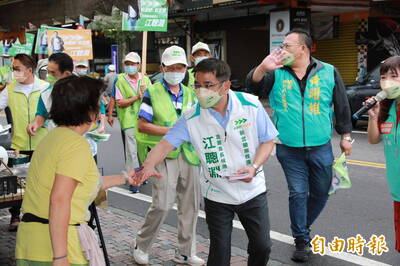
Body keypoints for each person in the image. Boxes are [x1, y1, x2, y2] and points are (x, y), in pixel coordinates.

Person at [134, 58, 277, 266]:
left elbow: (268, 141)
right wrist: (147, 166)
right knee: (219, 252)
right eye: (197, 85)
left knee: (262, 246)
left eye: (208, 85)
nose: (201, 91)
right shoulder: (191, 117)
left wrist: (254, 167)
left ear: (225, 86)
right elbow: (165, 145)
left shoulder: (250, 105)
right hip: (217, 193)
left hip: (251, 190)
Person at [245, 29, 353, 262]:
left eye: (287, 45)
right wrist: (263, 68)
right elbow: (252, 88)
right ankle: (301, 240)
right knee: (298, 193)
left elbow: (341, 104)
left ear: (303, 48)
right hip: (288, 147)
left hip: (321, 146)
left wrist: (345, 135)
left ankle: (301, 224)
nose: (282, 50)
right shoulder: (276, 73)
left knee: (321, 192)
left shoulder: (328, 71)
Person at [15, 75, 137, 265]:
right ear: (87, 109)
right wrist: (60, 256)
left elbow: (81, 184)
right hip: (58, 248)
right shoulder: (75, 145)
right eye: (98, 101)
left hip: (31, 244)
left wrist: (126, 177)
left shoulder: (52, 137)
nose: (101, 104)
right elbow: (60, 199)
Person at [131, 45, 204, 265]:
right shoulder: (152, 92)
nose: (176, 71)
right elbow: (143, 126)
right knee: (162, 204)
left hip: (189, 155)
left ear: (186, 68)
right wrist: (173, 131)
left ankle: (185, 251)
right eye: (171, 67)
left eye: (180, 67)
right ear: (163, 68)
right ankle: (141, 245)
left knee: (190, 205)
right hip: (162, 154)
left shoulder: (191, 93)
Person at [0, 54, 49, 231]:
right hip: (19, 144)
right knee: (16, 183)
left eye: (17, 68)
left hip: (43, 143)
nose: (14, 72)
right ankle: (15, 216)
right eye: (13, 68)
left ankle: (39, 214)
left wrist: (41, 122)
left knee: (40, 181)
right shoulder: (10, 89)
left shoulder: (45, 87)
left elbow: (53, 113)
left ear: (29, 70)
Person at [365, 55, 400, 253]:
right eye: (383, 77)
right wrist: (374, 116)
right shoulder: (388, 108)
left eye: (394, 76)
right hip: (397, 187)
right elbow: (373, 139)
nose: (387, 82)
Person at [108, 52, 151, 193]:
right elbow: (120, 102)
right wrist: (137, 96)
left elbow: (154, 98)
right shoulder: (120, 80)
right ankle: (134, 180)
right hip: (129, 120)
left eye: (133, 64)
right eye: (127, 64)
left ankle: (143, 174)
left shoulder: (146, 80)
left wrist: (147, 94)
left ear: (139, 65)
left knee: (142, 150)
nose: (130, 66)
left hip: (145, 120)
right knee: (131, 151)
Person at [26, 53, 73, 136]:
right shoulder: (45, 94)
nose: (48, 76)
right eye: (47, 72)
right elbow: (41, 114)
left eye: (53, 73)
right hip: (55, 141)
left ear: (67, 74)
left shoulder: (83, 92)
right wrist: (35, 124)